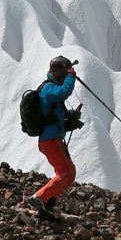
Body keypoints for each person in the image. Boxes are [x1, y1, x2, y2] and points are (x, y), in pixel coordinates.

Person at [27, 55, 83, 220]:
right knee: (67, 173)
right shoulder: (49, 88)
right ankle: (40, 198)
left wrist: (73, 115)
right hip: (50, 140)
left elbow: (59, 113)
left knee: (64, 172)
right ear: (57, 73)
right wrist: (72, 75)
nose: (65, 77)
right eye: (63, 74)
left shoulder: (51, 91)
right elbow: (64, 92)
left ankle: (47, 206)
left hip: (51, 140)